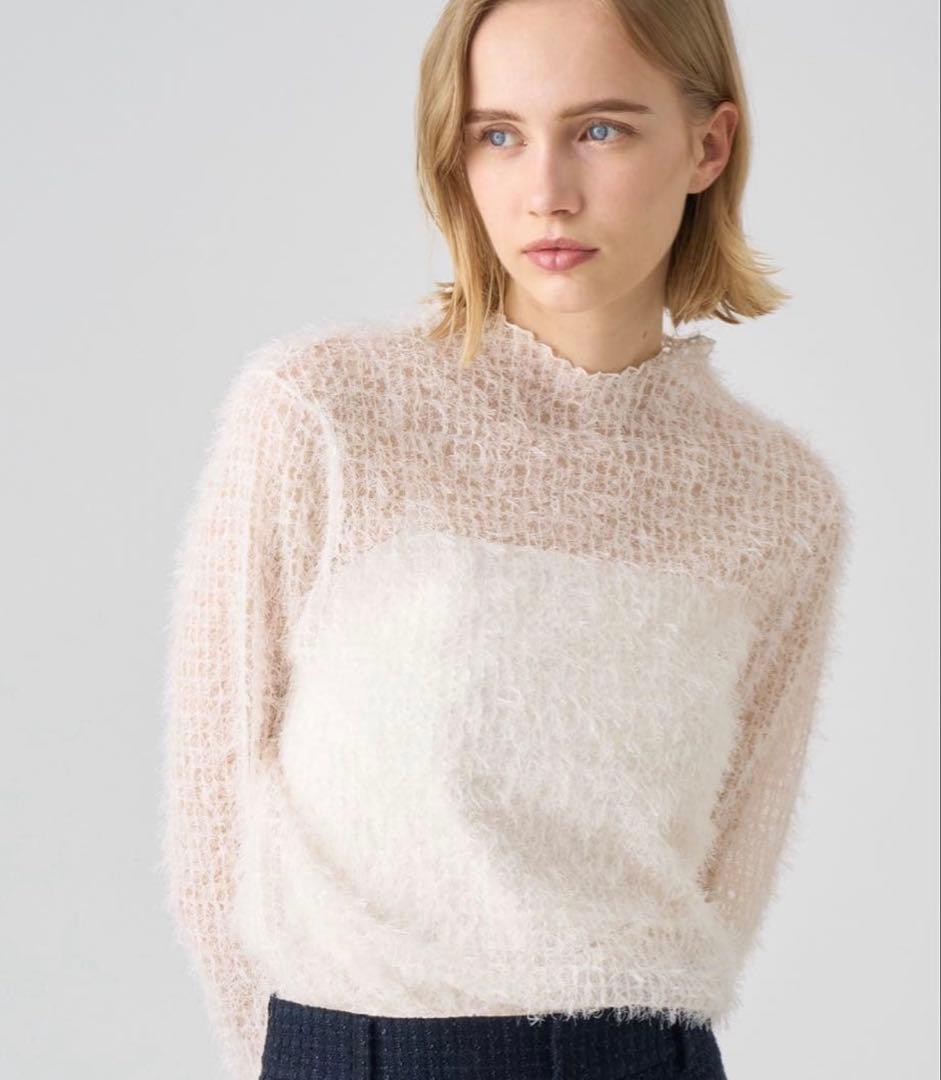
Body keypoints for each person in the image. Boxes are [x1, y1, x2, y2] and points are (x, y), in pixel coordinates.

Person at [159, 1, 852, 1078]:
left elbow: (731, 864)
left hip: (645, 1054)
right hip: (358, 1046)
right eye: (497, 135)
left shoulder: (776, 499)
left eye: (600, 129)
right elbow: (215, 801)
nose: (546, 192)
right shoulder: (325, 412)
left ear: (707, 146)